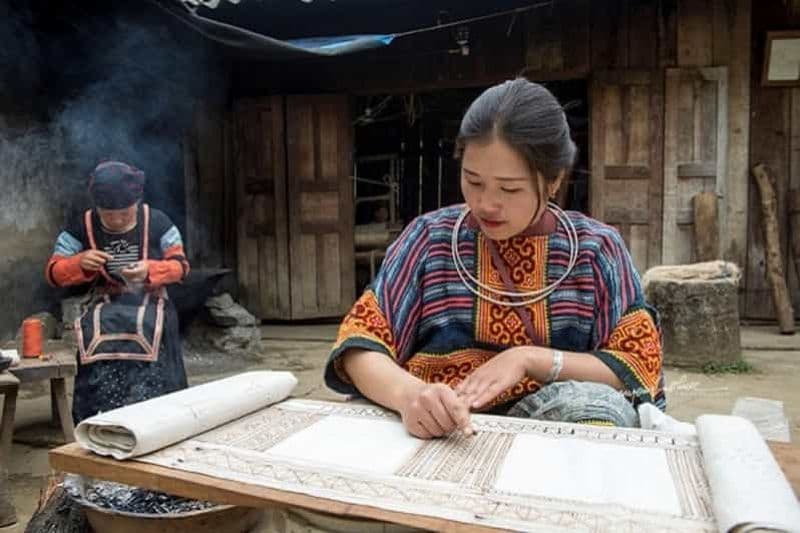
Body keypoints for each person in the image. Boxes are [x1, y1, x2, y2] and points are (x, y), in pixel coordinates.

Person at [325, 79, 664, 439]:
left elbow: (637, 363)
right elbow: (359, 345)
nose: (486, 203)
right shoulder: (428, 239)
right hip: (436, 428)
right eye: (473, 181)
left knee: (596, 411)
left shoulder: (597, 250)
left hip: (550, 437)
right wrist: (410, 395)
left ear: (554, 180)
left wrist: (527, 358)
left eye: (509, 188)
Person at [45, 160, 190, 423]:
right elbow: (53, 272)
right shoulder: (82, 225)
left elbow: (181, 266)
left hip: (152, 300)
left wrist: (151, 271)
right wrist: (79, 264)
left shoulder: (157, 221)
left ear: (137, 203)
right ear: (97, 208)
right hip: (105, 302)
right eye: (109, 215)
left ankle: (159, 418)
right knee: (95, 328)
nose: (118, 220)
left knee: (154, 327)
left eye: (125, 214)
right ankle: (99, 418)